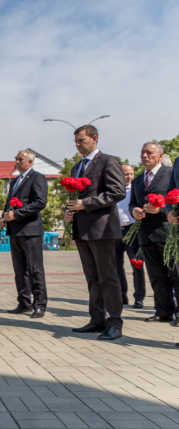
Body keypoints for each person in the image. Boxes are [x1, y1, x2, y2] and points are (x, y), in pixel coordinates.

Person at [65, 125, 126, 340]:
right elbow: (75, 197)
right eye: (75, 141)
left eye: (81, 140)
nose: (78, 144)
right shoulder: (76, 167)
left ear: (94, 139)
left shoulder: (109, 161)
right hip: (81, 230)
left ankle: (115, 323)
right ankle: (97, 320)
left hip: (101, 229)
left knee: (108, 277)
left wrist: (85, 204)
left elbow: (117, 192)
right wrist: (70, 211)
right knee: (92, 278)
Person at [129, 142, 179, 324]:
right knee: (156, 276)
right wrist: (134, 211)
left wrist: (162, 209)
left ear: (160, 155)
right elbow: (132, 203)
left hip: (167, 232)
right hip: (146, 234)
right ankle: (163, 311)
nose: (145, 156)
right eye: (142, 153)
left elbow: (175, 199)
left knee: (176, 274)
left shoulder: (170, 173)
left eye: (149, 153)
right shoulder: (137, 180)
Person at [0, 149, 48, 318]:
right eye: (16, 159)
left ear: (30, 162)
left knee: (35, 270)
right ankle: (24, 303)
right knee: (19, 270)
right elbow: (9, 204)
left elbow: (40, 202)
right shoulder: (15, 181)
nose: (17, 161)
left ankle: (39, 305)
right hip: (15, 231)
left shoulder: (37, 177)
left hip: (31, 231)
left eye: (20, 159)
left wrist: (16, 214)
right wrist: (4, 217)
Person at [115, 164, 145, 307]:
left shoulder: (136, 189)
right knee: (116, 266)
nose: (129, 177)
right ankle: (122, 296)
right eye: (126, 174)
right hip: (115, 231)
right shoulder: (114, 190)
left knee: (137, 265)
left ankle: (139, 297)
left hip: (132, 230)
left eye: (131, 174)